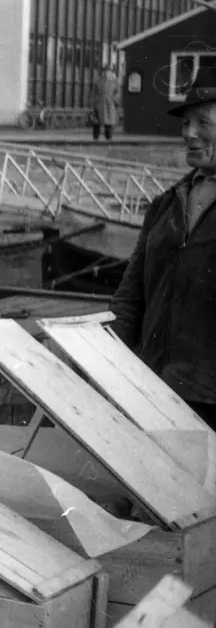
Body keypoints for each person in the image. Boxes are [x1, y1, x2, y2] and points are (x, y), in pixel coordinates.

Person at [110, 66, 216, 428]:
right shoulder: (165, 204)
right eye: (186, 123)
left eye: (203, 122)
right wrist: (107, 363)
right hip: (152, 390)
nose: (189, 133)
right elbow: (129, 298)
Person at [91, 65, 120, 141]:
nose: (106, 73)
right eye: (105, 71)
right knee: (97, 121)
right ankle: (97, 137)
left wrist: (113, 99)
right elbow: (94, 93)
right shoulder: (98, 80)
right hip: (100, 103)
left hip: (108, 103)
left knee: (108, 121)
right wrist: (94, 102)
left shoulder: (114, 80)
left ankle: (107, 137)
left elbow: (117, 92)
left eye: (108, 71)